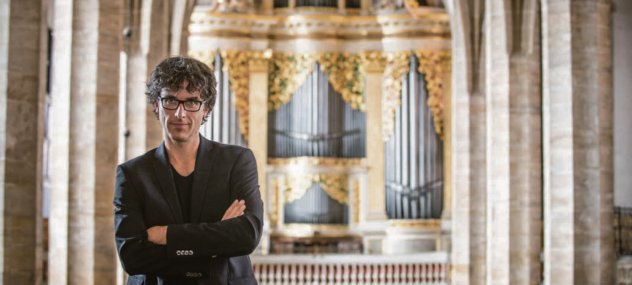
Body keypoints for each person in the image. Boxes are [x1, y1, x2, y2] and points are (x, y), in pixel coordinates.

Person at [113, 56, 263, 285]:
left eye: (191, 102)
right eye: (170, 100)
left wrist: (167, 236)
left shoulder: (237, 161)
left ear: (206, 109)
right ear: (156, 104)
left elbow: (247, 236)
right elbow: (132, 257)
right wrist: (215, 242)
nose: (180, 114)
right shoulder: (132, 174)